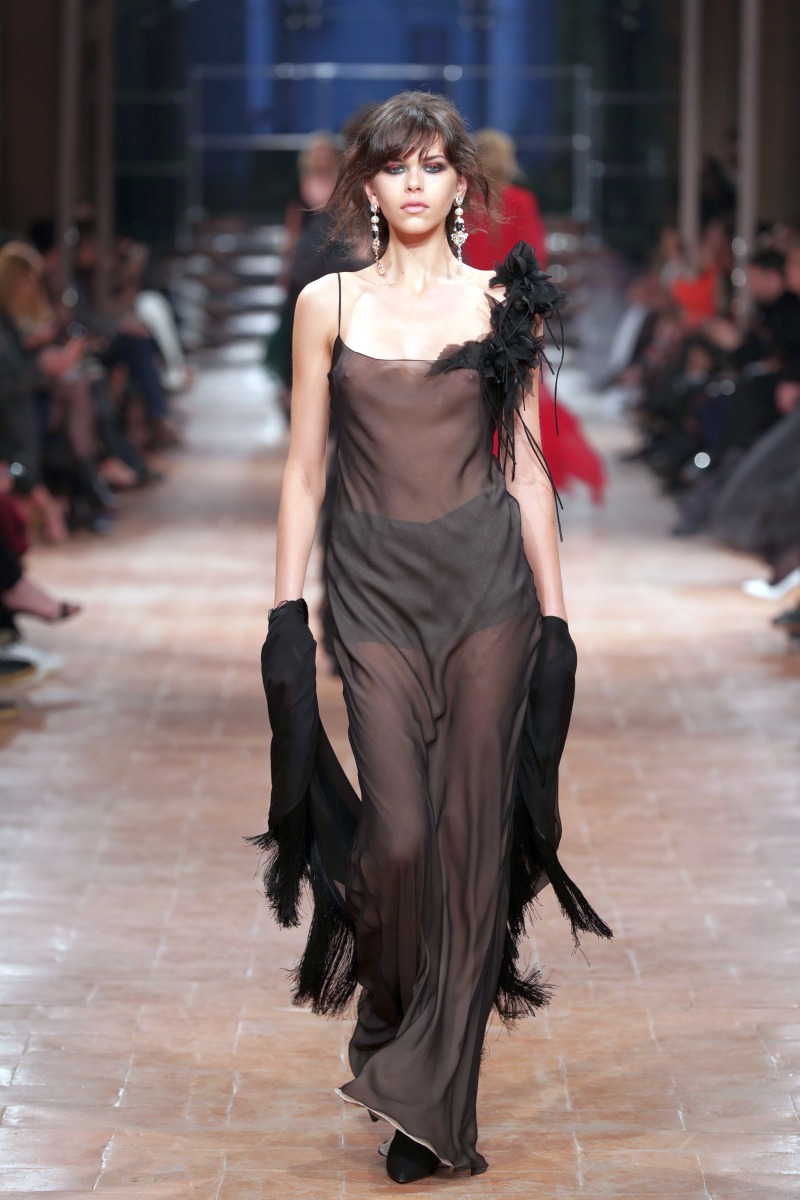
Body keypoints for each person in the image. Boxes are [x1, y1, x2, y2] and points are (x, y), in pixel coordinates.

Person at [255, 91, 610, 1184]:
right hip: (370, 597)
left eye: (433, 165)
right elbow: (305, 470)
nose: (413, 183)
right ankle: (390, 1023)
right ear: (366, 184)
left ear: (462, 184)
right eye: (394, 165)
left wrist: (556, 621)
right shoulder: (326, 303)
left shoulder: (503, 304)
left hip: (487, 600)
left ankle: (428, 1106)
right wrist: (283, 614)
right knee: (397, 842)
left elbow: (527, 468)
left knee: (465, 848)